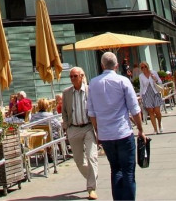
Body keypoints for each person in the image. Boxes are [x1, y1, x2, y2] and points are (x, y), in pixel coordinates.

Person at [87, 52, 144, 201]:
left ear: (102, 65)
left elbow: (91, 112)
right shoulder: (123, 81)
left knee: (115, 169)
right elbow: (135, 108)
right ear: (117, 66)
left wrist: (98, 131)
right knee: (128, 172)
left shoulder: (93, 83)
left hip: (106, 135)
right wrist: (140, 129)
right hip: (123, 132)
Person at [62, 67, 98, 200]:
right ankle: (91, 176)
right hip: (74, 128)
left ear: (82, 76)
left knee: (91, 157)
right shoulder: (66, 93)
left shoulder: (90, 91)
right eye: (71, 76)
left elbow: (97, 108)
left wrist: (98, 129)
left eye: (75, 76)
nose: (72, 79)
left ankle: (91, 188)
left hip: (88, 127)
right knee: (78, 160)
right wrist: (66, 126)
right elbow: (64, 112)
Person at [137, 62, 164, 134]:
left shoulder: (153, 72)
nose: (144, 68)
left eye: (145, 66)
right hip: (146, 94)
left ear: (147, 66)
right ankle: (155, 129)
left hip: (155, 93)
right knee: (151, 112)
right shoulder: (141, 76)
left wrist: (155, 79)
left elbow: (160, 81)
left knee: (157, 112)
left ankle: (160, 125)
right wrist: (141, 97)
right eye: (142, 67)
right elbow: (141, 87)